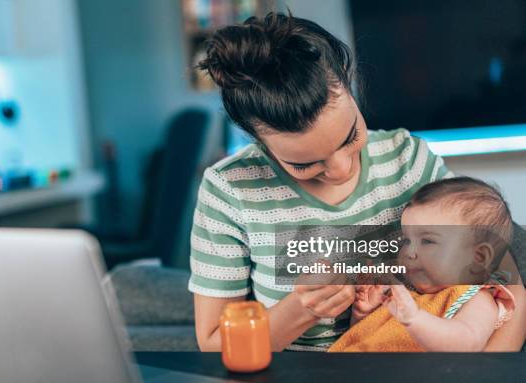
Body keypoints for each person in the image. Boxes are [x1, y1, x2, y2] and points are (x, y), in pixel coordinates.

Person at [188, 11, 525, 352]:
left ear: (349, 85)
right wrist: (299, 311)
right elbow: (215, 344)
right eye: (305, 164)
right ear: (257, 140)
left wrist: (483, 372)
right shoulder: (229, 189)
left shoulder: (407, 159)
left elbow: (510, 288)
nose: (340, 169)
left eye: (350, 136)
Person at [330, 177, 518, 351]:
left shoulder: (477, 299)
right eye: (406, 241)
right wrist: (363, 315)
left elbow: (467, 343)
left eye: (427, 241)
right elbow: (369, 341)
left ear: (479, 258)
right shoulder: (407, 295)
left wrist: (415, 319)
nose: (409, 253)